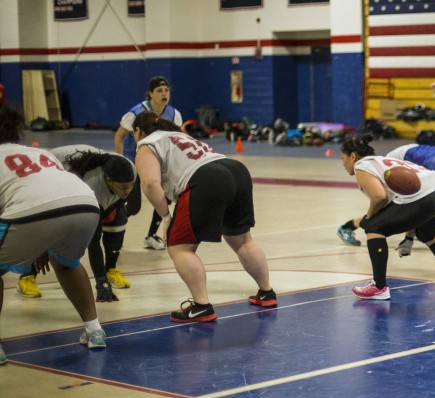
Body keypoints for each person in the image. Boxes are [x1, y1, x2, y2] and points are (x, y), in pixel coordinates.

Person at [132, 111, 276, 322]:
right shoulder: (179, 135)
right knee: (243, 239)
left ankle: (202, 306)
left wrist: (166, 217)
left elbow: (150, 183)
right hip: (236, 170)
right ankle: (267, 293)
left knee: (179, 246)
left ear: (138, 131)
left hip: (206, 179)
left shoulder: (147, 144)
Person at [0, 104, 108, 365]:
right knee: (68, 265)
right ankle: (95, 331)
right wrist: (40, 243)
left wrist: (34, 239)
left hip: (34, 211)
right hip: (86, 205)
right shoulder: (39, 152)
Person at [338, 137, 435, 300]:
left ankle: (379, 287)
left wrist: (369, 218)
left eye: (343, 159)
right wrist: (408, 236)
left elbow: (379, 197)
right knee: (427, 233)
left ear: (353, 156)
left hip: (426, 195)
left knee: (374, 227)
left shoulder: (362, 166)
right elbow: (402, 206)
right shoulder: (386, 160)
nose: (343, 164)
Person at [50, 145, 137, 302]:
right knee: (52, 229)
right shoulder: (94, 188)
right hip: (53, 167)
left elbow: (131, 201)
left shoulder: (129, 169)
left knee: (118, 220)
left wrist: (113, 207)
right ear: (108, 181)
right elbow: (94, 241)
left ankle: (110, 269)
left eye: (131, 185)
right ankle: (27, 276)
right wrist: (100, 283)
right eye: (123, 187)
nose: (128, 190)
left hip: (88, 170)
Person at [114, 76, 183, 250]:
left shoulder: (174, 114)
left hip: (159, 163)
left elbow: (177, 141)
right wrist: (121, 162)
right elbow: (119, 137)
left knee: (164, 198)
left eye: (166, 90)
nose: (164, 93)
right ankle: (113, 228)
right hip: (134, 161)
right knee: (134, 206)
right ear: (150, 94)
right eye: (159, 90)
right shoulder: (136, 112)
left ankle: (151, 236)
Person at [385, 141, 435, 257]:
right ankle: (350, 226)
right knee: (390, 208)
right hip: (399, 161)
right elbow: (415, 199)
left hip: (416, 152)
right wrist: (408, 238)